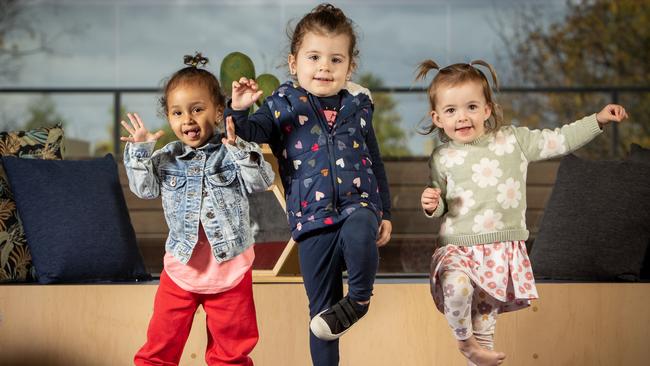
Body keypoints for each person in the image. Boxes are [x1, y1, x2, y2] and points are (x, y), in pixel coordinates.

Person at [417, 59, 627, 366]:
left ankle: (476, 351)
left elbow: (560, 139)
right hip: (458, 247)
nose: (462, 117)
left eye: (471, 107)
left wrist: (597, 120)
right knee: (457, 288)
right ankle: (464, 342)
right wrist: (431, 204)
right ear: (437, 118)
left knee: (486, 333)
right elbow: (440, 203)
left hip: (500, 252)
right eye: (451, 111)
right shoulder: (442, 157)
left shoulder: (513, 141)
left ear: (487, 109)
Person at [224, 3, 392, 365]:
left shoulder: (359, 106)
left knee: (364, 223)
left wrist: (386, 210)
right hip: (311, 219)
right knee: (322, 318)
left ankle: (360, 299)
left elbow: (374, 160)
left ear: (350, 66)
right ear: (293, 62)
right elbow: (250, 133)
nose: (324, 68)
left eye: (335, 59)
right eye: (314, 57)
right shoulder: (282, 104)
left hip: (357, 202)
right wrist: (238, 110)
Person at [122, 53, 274, 366]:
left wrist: (241, 149)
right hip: (181, 272)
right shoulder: (167, 157)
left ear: (219, 111)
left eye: (198, 109)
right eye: (177, 112)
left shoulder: (231, 150)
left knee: (230, 356)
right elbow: (144, 189)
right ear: (168, 117)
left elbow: (262, 181)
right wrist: (139, 150)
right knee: (158, 351)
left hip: (231, 271)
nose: (187, 119)